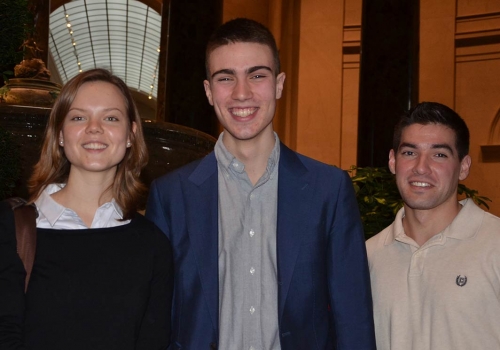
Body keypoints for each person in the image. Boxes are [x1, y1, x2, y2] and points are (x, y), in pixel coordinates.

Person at [146, 18, 375, 350]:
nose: (242, 93)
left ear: (279, 84)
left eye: (257, 75)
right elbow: (157, 319)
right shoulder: (170, 196)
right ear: (209, 92)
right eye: (226, 78)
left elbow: (351, 318)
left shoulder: (329, 189)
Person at [0, 68, 173, 350]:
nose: (94, 127)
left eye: (111, 117)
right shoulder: (11, 229)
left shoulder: (153, 246)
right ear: (59, 134)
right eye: (79, 117)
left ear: (130, 135)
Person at [366, 101, 500, 349]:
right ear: (393, 161)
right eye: (409, 152)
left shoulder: (495, 243)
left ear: (463, 167)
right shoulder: (367, 256)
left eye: (439, 154)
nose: (421, 167)